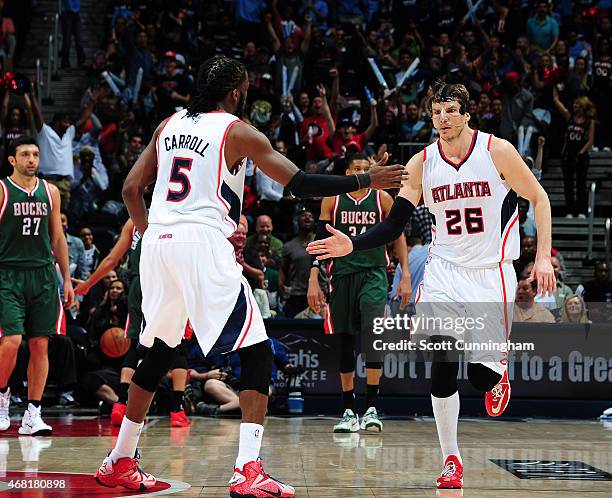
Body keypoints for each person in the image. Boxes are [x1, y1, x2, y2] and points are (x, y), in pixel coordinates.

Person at [94, 56, 404, 495]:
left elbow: (129, 189)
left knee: (161, 352)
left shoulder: (168, 125)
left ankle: (120, 459)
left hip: (158, 245)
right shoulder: (236, 130)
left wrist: (152, 232)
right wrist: (363, 181)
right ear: (238, 92)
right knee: (257, 350)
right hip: (202, 243)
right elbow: (297, 182)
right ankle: (247, 469)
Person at [307, 81, 555, 490]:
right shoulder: (423, 163)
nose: (443, 118)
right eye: (437, 111)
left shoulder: (498, 151)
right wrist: (352, 241)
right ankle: (451, 460)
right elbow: (393, 223)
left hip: (490, 272)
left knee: (478, 377)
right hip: (444, 270)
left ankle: (498, 372)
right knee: (442, 362)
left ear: (467, 113)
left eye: (451, 110)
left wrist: (542, 256)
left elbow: (540, 199)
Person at [307, 153, 409, 433]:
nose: (362, 171)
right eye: (357, 168)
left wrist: (406, 275)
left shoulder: (382, 199)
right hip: (341, 275)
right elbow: (319, 239)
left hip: (374, 274)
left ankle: (373, 406)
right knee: (345, 342)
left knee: (373, 336)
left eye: (366, 168)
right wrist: (313, 275)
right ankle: (349, 410)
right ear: (348, 171)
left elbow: (398, 235)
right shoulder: (333, 199)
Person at [74, 217, 191, 428]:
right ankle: (177, 410)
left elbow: (112, 260)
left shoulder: (134, 221)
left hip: (139, 286)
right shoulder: (175, 214)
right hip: (168, 283)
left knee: (136, 345)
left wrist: (88, 285)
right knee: (177, 346)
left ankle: (120, 405)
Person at [0, 136, 75, 436]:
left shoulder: (51, 191)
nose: (32, 159)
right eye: (25, 154)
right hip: (8, 274)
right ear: (12, 160)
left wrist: (67, 279)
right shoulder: (3, 190)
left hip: (43, 275)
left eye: (35, 154)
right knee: (11, 341)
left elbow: (57, 237)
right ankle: (3, 396)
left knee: (40, 344)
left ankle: (33, 413)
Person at [552, 88, 596, 218]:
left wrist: (580, 153)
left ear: (582, 106)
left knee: (581, 185)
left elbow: (590, 140)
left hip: (581, 156)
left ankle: (581, 211)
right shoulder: (570, 117)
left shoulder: (589, 122)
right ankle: (570, 211)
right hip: (568, 155)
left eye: (577, 104)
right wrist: (554, 88)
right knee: (568, 184)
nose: (574, 106)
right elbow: (557, 103)